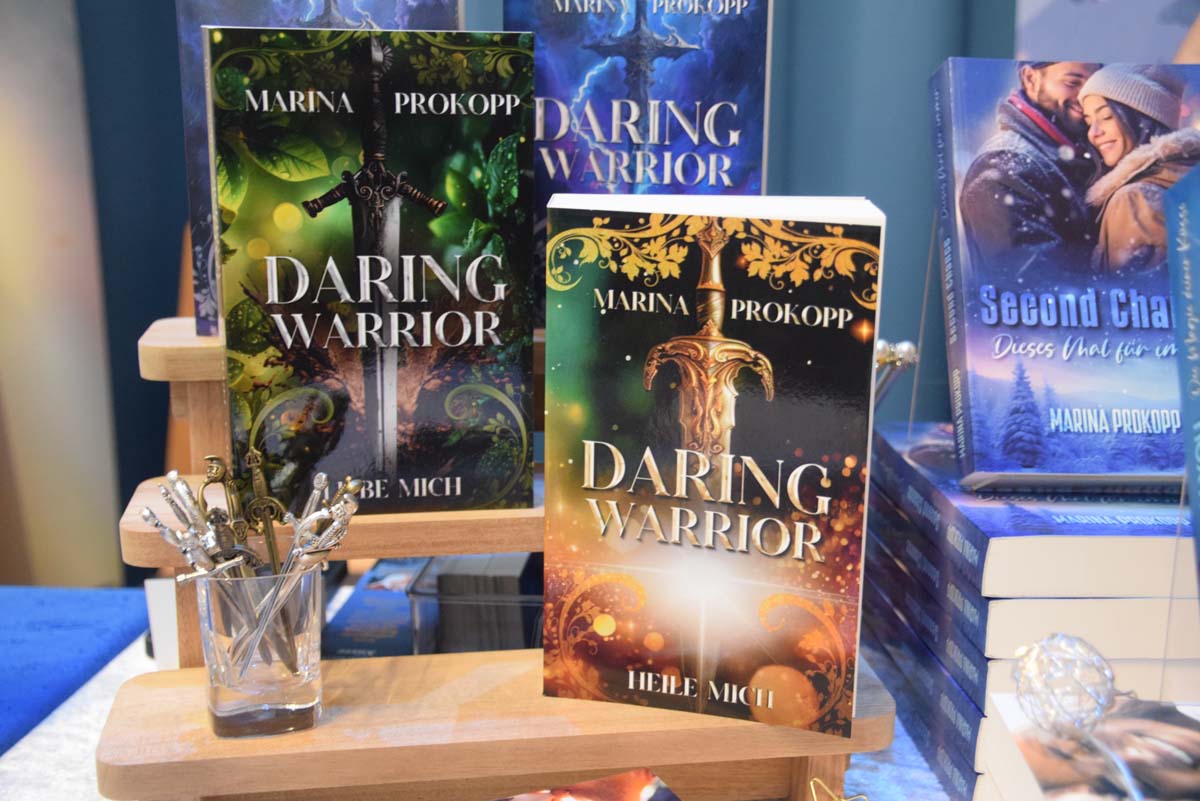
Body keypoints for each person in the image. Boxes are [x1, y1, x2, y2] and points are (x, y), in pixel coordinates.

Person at [960, 61, 1100, 277]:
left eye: (1094, 84)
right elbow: (1035, 283)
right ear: (1030, 79)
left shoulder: (1082, 154)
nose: (1085, 96)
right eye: (1073, 83)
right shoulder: (1002, 166)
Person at [1081, 64, 1200, 273]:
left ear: (1144, 117)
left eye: (1106, 117)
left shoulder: (1135, 198)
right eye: (1089, 122)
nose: (1093, 133)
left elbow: (1135, 290)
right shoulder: (1185, 176)